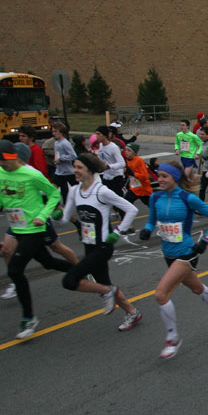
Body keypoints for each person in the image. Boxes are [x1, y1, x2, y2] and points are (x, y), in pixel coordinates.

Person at [139, 161, 208, 359]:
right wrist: (147, 229)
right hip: (168, 254)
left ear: (175, 178)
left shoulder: (187, 198)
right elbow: (151, 219)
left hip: (187, 253)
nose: (160, 180)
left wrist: (205, 240)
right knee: (197, 288)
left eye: (164, 176)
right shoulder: (155, 198)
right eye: (158, 176)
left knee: (161, 294)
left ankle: (173, 337)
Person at [59, 153, 142, 330]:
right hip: (88, 245)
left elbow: (131, 209)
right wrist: (56, 214)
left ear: (90, 169)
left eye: (79, 167)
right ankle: (132, 312)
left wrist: (118, 232)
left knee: (70, 280)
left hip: (103, 246)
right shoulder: (75, 191)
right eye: (74, 166)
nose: (75, 170)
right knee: (104, 282)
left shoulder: (101, 191)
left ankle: (107, 292)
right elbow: (65, 218)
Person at [0, 140, 73, 338]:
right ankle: (80, 269)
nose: (2, 164)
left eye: (4, 160)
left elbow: (53, 195)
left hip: (34, 227)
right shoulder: (1, 173)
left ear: (12, 156)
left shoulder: (31, 174)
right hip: (17, 227)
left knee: (15, 270)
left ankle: (29, 318)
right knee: (48, 262)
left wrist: (43, 215)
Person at [51, 122, 77, 201]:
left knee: (76, 189)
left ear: (61, 132)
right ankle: (58, 205)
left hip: (68, 171)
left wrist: (61, 158)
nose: (54, 133)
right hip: (59, 171)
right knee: (54, 189)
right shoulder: (56, 143)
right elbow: (57, 154)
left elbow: (73, 155)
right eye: (53, 131)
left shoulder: (65, 143)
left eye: (56, 131)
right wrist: (56, 160)